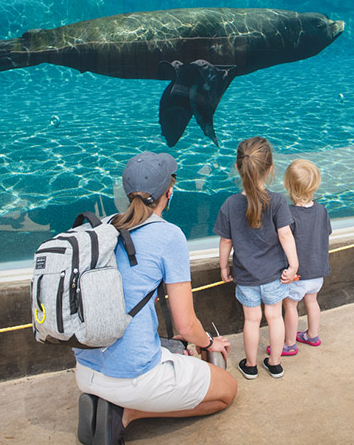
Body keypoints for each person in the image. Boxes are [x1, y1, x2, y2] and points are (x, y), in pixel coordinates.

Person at [75, 152, 237, 445]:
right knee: (227, 391)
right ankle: (126, 413)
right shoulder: (169, 235)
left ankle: (109, 403)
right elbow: (186, 325)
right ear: (169, 193)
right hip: (134, 378)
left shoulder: (99, 227)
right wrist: (209, 343)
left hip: (86, 371)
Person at [214, 137, 299, 379]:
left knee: (251, 320)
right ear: (271, 169)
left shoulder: (230, 205)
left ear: (238, 168)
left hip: (246, 276)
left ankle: (250, 365)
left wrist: (223, 267)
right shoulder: (279, 201)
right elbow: (285, 235)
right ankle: (274, 364)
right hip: (274, 275)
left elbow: (226, 242)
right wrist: (294, 265)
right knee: (274, 317)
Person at [269, 159, 332, 356]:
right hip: (318, 271)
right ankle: (312, 335)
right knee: (312, 301)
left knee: (290, 305)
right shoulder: (322, 210)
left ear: (286, 185)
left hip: (297, 274)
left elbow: (283, 241)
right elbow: (326, 233)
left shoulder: (288, 213)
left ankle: (289, 343)